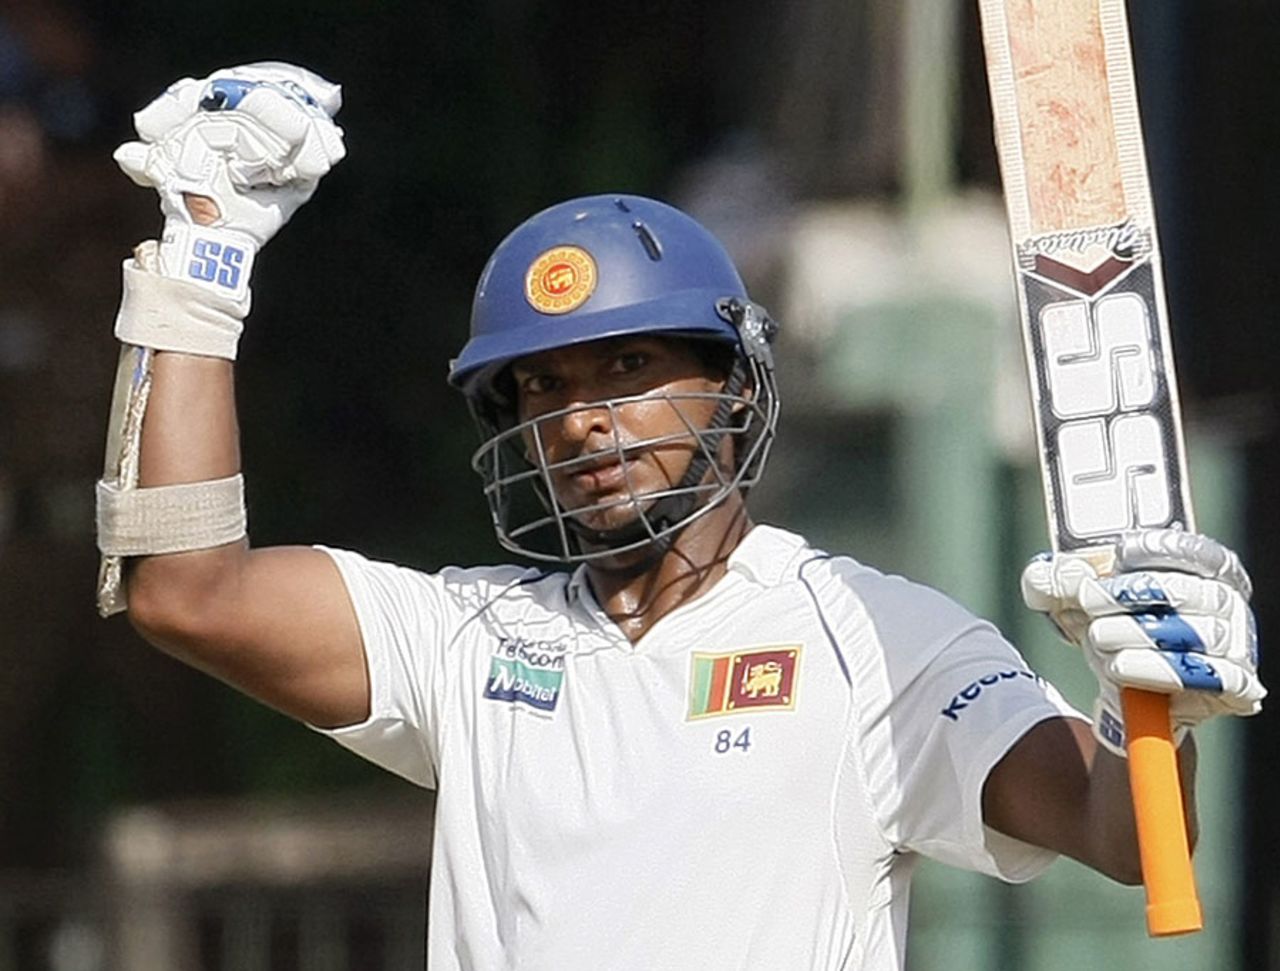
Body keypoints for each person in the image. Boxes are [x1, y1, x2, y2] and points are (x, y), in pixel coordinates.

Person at [97, 64, 1265, 971]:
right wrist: (201, 264)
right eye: (541, 388)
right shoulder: (472, 640)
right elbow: (186, 590)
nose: (579, 419)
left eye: (627, 366)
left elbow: (1115, 835)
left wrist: (1136, 708)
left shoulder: (874, 637)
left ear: (738, 386)